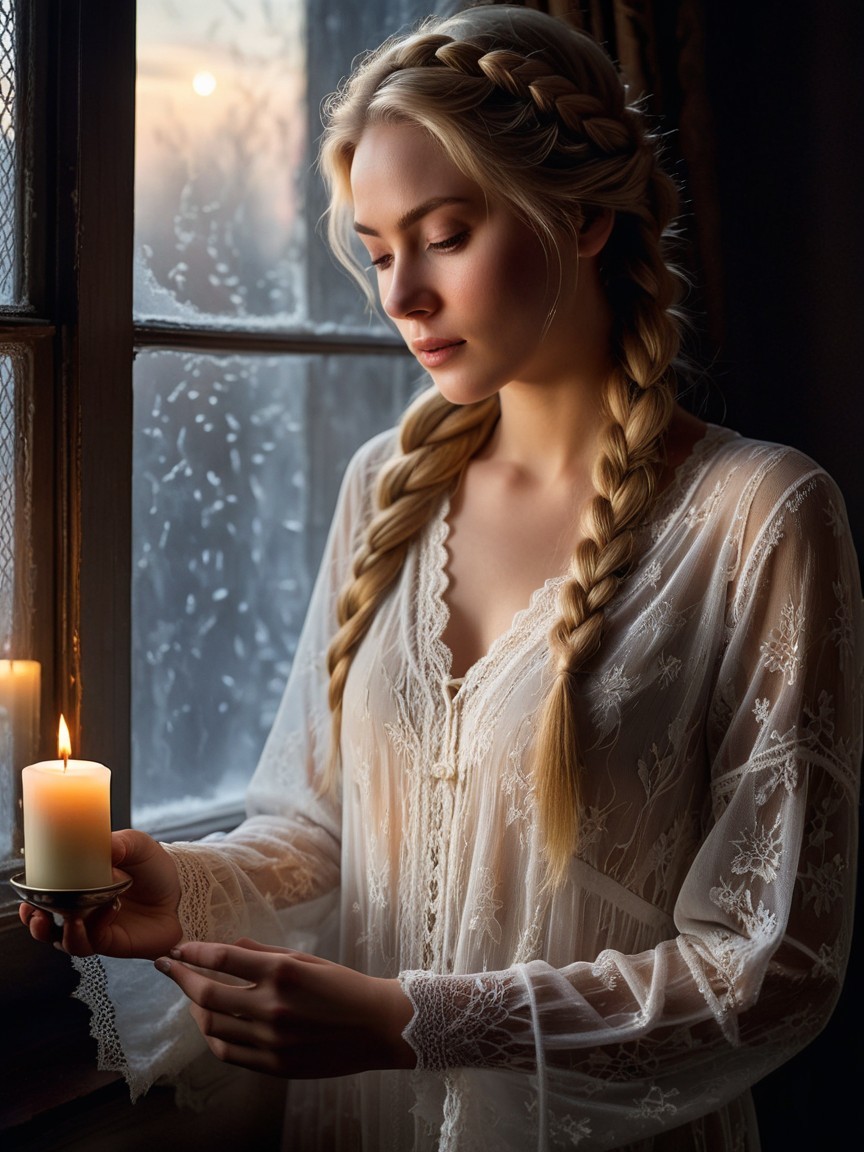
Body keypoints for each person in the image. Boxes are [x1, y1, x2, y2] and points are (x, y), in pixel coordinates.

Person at [20, 4, 863, 1150]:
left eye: (445, 234)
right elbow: (323, 831)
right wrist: (186, 884)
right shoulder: (386, 485)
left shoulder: (761, 518)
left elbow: (771, 965)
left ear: (582, 217)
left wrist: (418, 1021)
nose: (400, 296)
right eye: (375, 252)